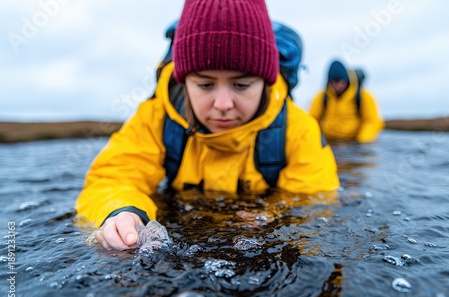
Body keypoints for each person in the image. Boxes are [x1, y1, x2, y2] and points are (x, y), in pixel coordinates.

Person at [75, 0, 340, 251]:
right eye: (205, 84)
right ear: (184, 80)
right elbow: (114, 178)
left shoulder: (299, 128)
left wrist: (273, 215)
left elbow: (317, 205)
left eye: (241, 85)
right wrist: (121, 212)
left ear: (266, 82)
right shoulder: (156, 117)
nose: (223, 103)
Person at [309, 59, 384, 143]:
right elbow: (312, 120)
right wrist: (315, 140)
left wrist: (362, 142)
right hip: (329, 143)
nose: (337, 85)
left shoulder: (364, 96)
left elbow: (372, 122)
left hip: (354, 144)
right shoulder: (322, 96)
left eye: (340, 81)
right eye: (334, 81)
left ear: (346, 79)